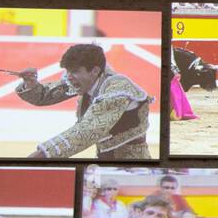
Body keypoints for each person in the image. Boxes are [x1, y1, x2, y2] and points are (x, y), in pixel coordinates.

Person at [14, 43, 153, 159]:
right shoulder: (87, 80)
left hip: (133, 164)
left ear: (94, 71)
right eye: (67, 71)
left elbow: (86, 131)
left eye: (74, 71)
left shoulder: (117, 90)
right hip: (103, 160)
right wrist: (31, 84)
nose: (69, 77)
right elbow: (44, 96)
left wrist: (43, 154)